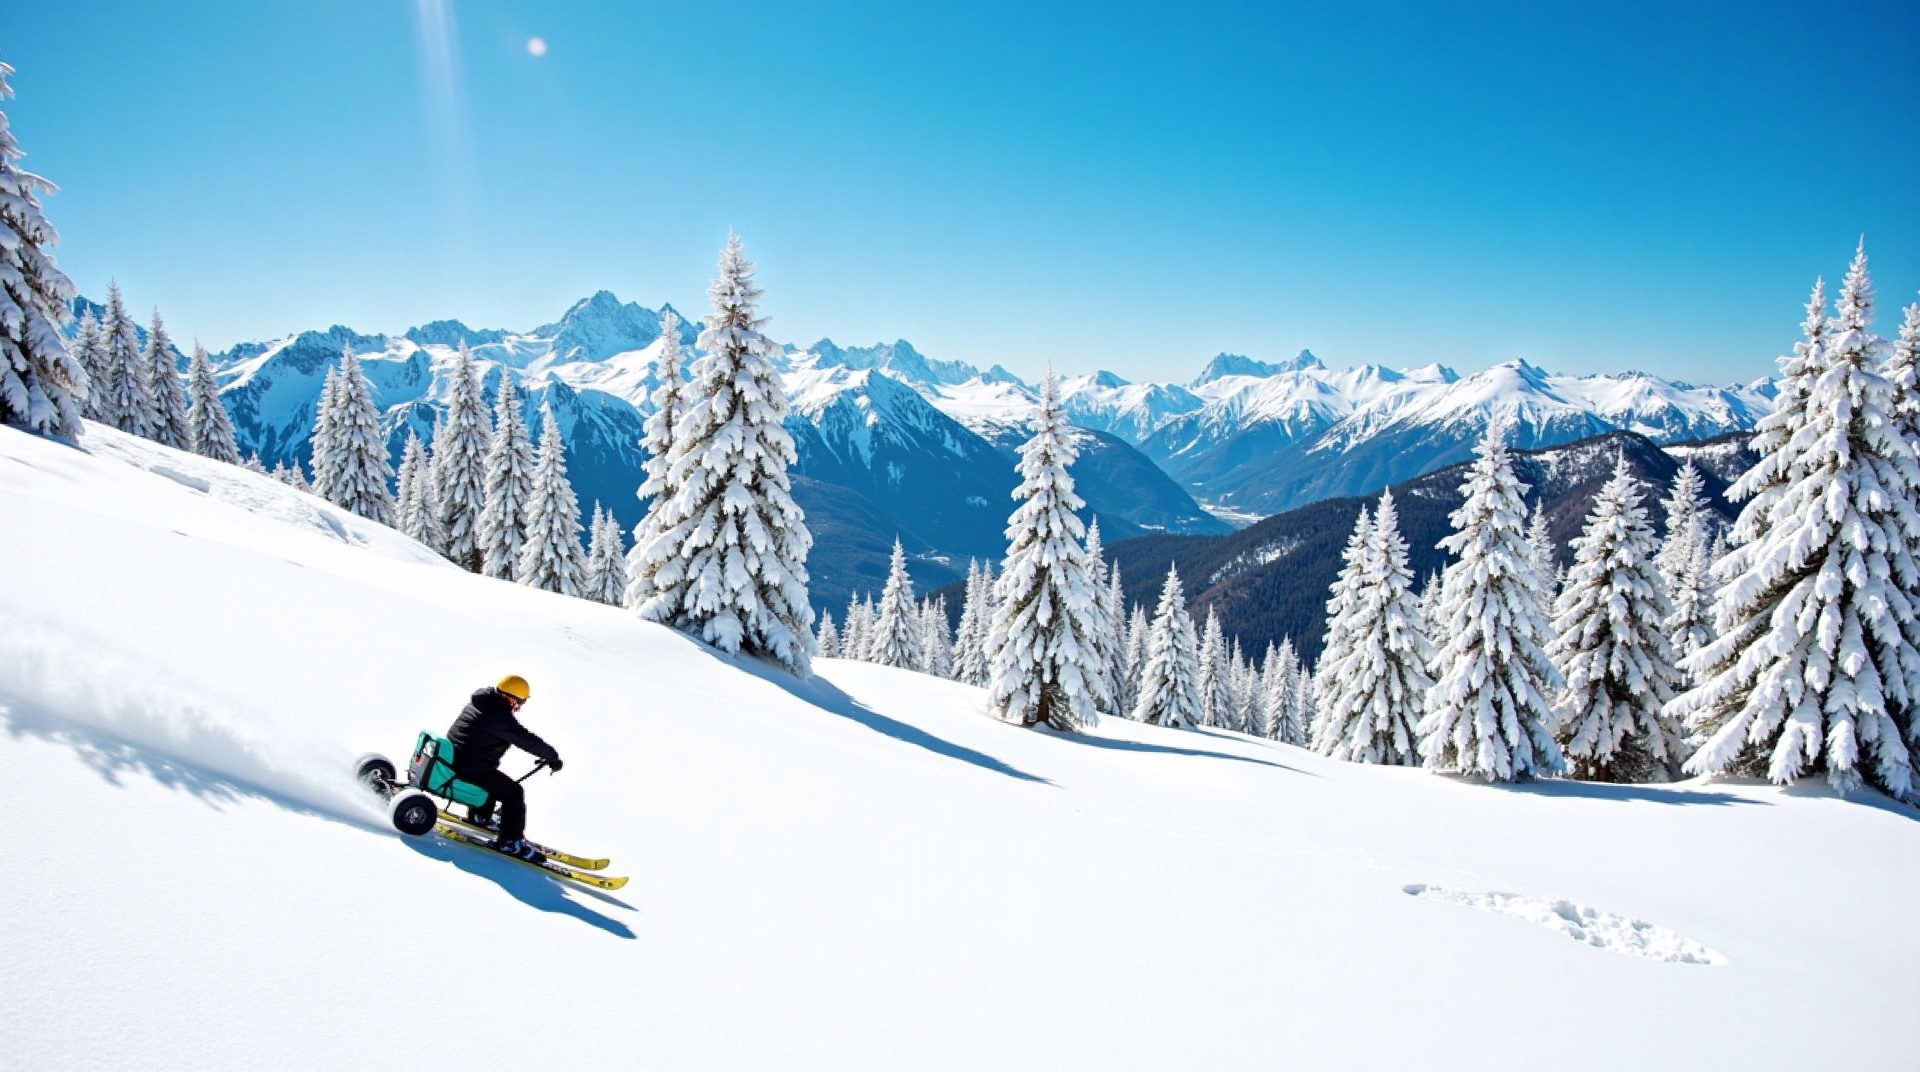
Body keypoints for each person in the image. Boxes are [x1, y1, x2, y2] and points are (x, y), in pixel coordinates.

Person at [447, 674, 563, 862]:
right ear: (511, 699)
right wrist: (551, 756)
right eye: (519, 704)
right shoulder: (498, 716)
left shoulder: (482, 703)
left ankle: (480, 816)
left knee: (493, 780)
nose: (518, 708)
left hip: (457, 759)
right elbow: (523, 738)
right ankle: (510, 842)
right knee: (513, 793)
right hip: (470, 767)